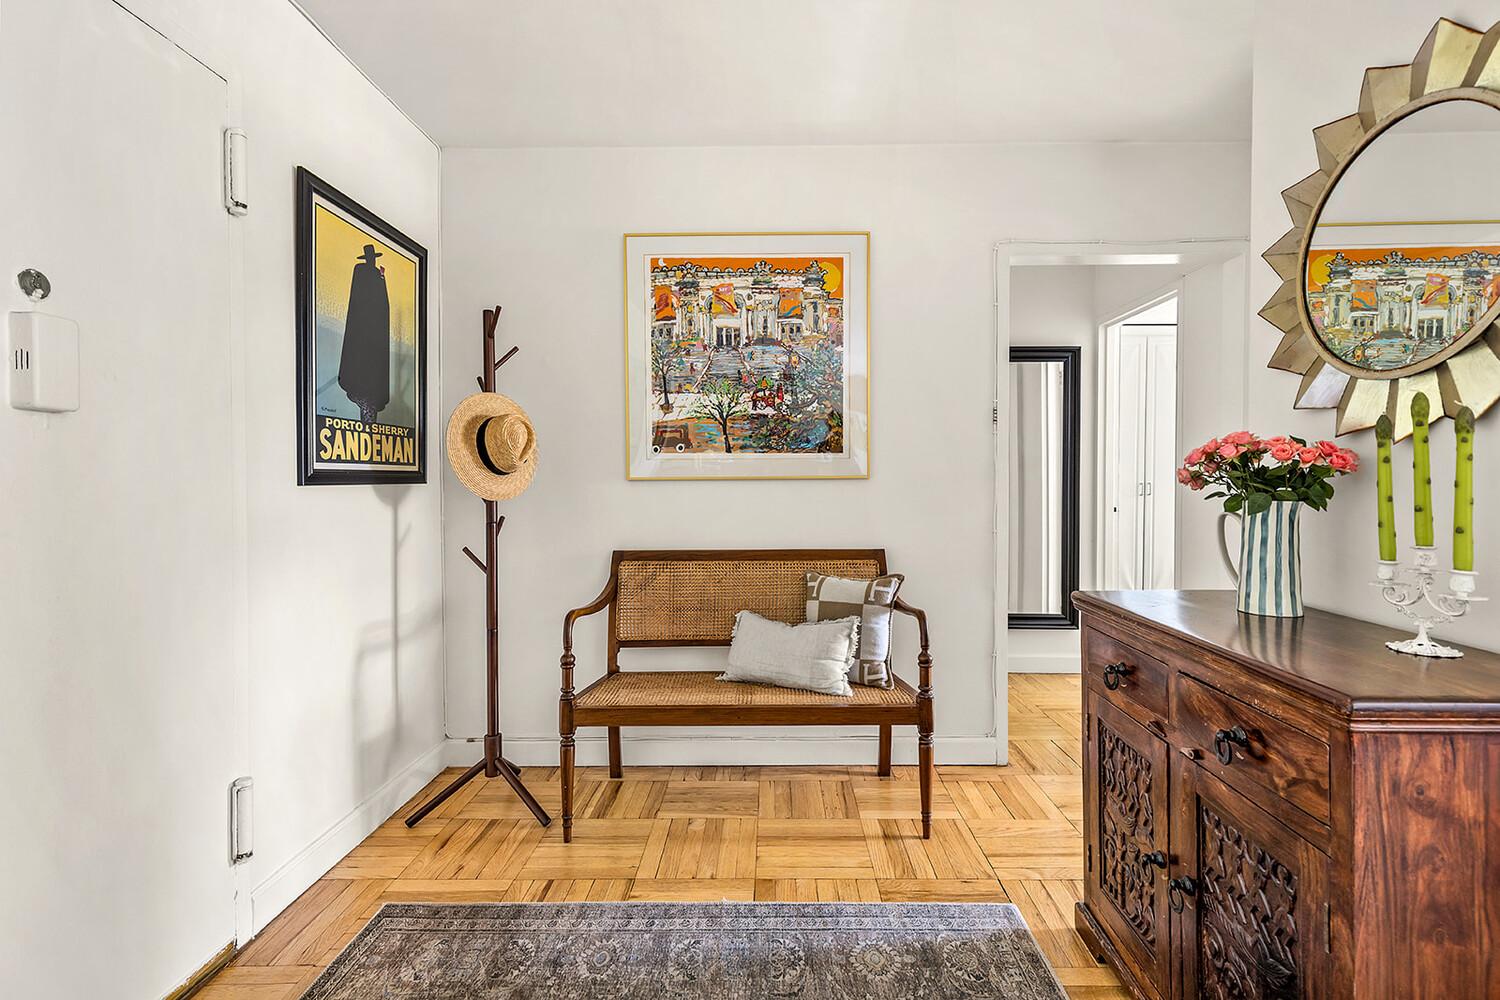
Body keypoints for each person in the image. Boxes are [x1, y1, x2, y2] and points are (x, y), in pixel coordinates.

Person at [337, 244, 391, 425]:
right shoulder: (361, 271)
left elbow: (382, 302)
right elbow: (362, 297)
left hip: (373, 329)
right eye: (370, 257)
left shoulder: (375, 274)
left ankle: (368, 419)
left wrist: (381, 277)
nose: (371, 260)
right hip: (363, 327)